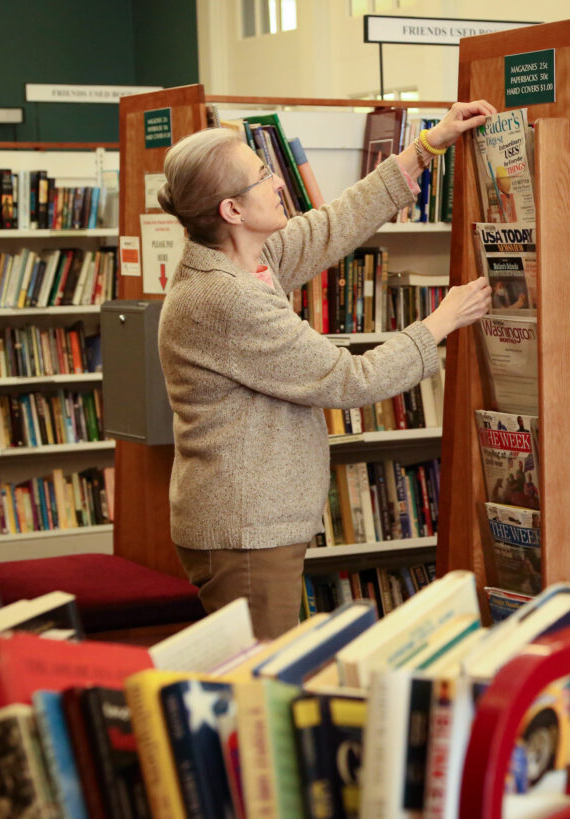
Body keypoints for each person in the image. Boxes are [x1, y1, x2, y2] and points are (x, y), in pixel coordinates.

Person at [156, 101, 495, 639]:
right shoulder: (224, 297)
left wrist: (428, 146)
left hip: (255, 522)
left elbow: (330, 226)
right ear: (232, 211)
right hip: (245, 530)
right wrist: (441, 322)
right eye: (262, 176)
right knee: (263, 691)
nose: (276, 184)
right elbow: (349, 381)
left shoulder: (245, 257)